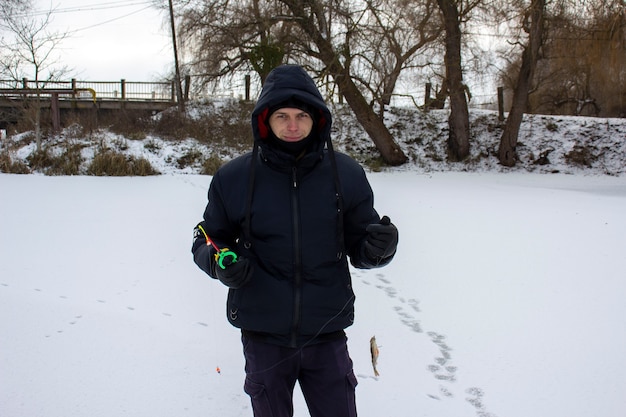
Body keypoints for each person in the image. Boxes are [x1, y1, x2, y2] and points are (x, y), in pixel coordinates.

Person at [192, 64, 398, 417]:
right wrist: (220, 261)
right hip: (263, 336)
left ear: (317, 119)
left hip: (327, 332)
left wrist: (380, 248)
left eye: (302, 115)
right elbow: (208, 238)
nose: (292, 125)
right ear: (265, 120)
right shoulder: (234, 177)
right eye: (282, 116)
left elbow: (361, 245)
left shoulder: (346, 174)